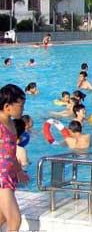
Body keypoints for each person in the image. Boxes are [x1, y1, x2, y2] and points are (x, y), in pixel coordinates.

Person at [0, 84, 30, 232]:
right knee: (14, 220)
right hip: (1, 179)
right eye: (20, 105)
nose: (23, 109)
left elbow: (11, 153)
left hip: (9, 176)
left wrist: (18, 171)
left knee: (2, 218)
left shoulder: (11, 123)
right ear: (7, 107)